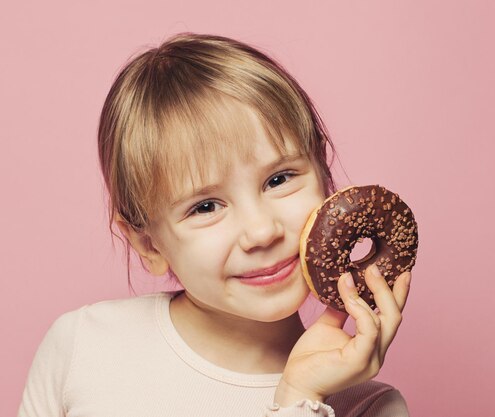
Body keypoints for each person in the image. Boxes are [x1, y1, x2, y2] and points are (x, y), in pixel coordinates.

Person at [18, 33, 412, 417]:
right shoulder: (84, 346)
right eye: (205, 206)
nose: (261, 232)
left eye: (279, 179)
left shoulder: (369, 407)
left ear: (325, 178)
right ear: (149, 245)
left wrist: (301, 397)